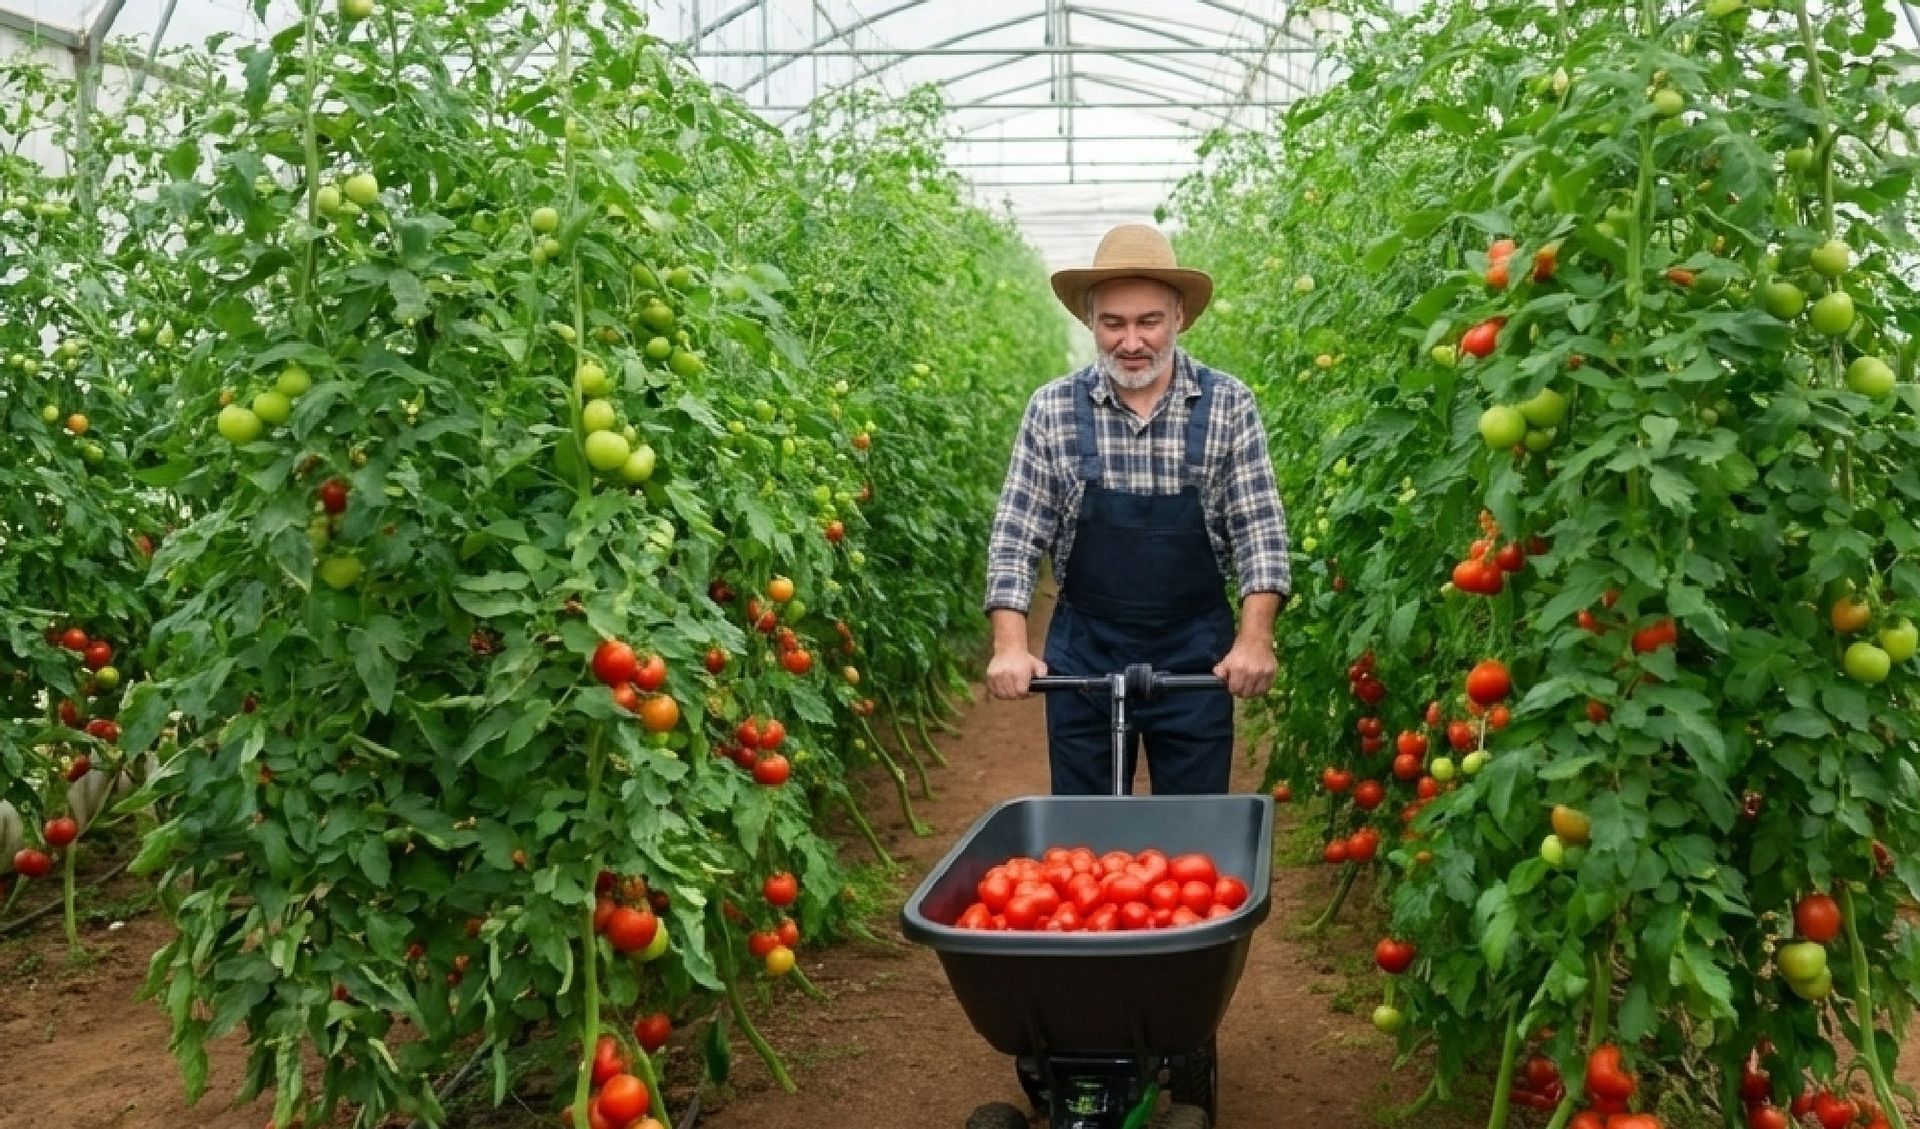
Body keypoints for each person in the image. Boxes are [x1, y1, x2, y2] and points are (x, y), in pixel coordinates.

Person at [983, 223, 1290, 796]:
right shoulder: (1052, 409)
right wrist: (1009, 646)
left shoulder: (1228, 404)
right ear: (1091, 324)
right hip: (1087, 649)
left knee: (1193, 836)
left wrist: (1254, 642)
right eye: (1113, 323)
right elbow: (1016, 534)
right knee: (1086, 841)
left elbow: (1259, 531)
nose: (1131, 341)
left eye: (1148, 321)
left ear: (1179, 317)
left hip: (1195, 649)